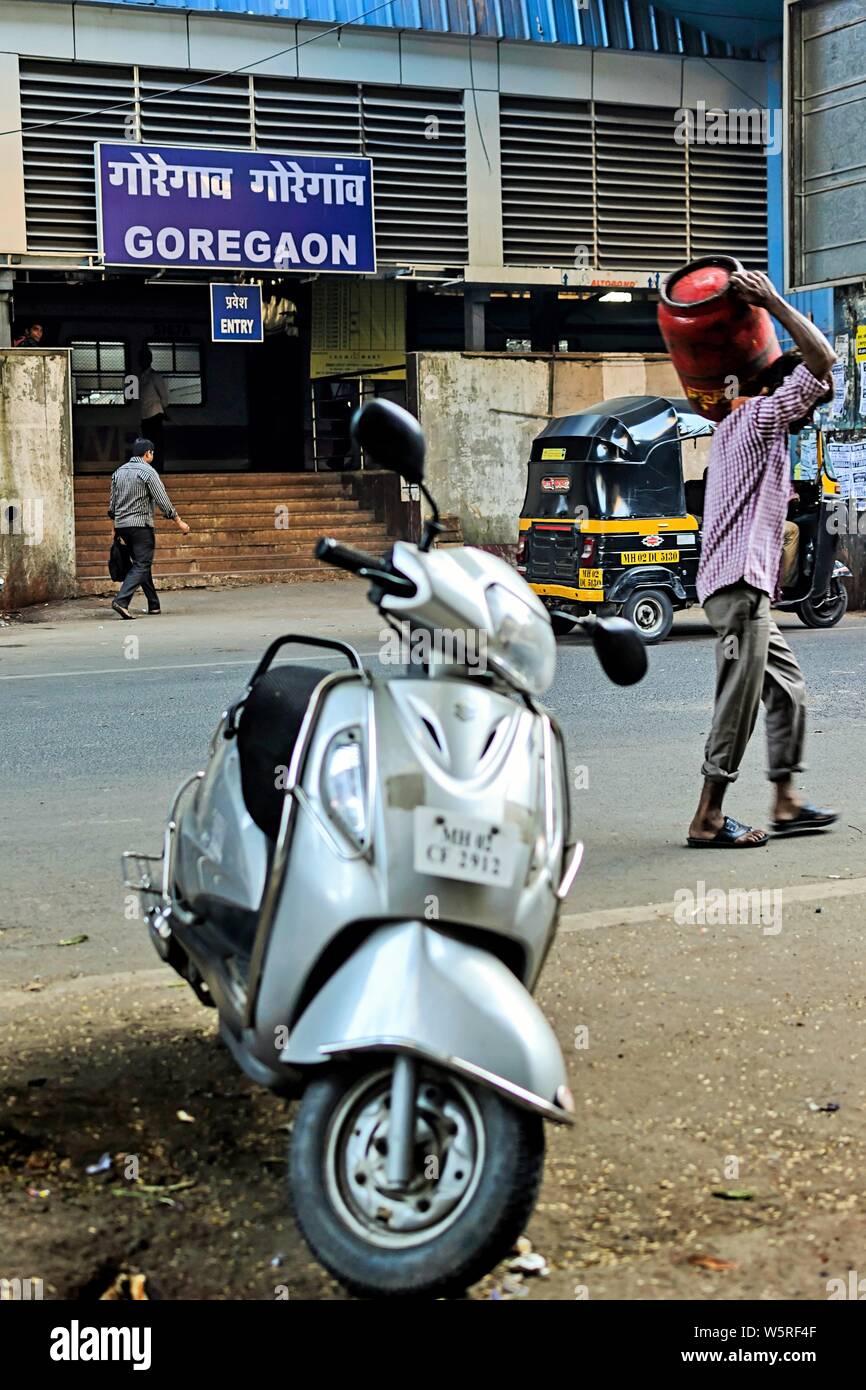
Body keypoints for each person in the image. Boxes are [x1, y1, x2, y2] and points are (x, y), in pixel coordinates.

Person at [687, 269, 838, 849]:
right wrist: (774, 301)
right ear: (782, 386)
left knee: (788, 688)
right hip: (739, 587)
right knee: (739, 700)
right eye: (805, 395)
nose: (812, 406)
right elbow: (822, 360)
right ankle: (707, 815)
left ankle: (785, 800)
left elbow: (817, 380)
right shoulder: (762, 416)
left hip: (742, 587)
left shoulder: (737, 427)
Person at [108, 438, 189, 619]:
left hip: (122, 527)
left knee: (141, 563)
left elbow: (112, 505)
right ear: (148, 453)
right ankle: (121, 601)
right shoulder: (148, 472)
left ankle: (153, 604)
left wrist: (114, 528)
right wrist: (179, 521)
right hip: (140, 526)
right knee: (142, 563)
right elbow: (162, 499)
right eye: (152, 453)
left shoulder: (118, 473)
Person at [137, 347, 170, 473]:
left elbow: (164, 396)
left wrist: (163, 408)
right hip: (145, 415)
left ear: (149, 360)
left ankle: (158, 469)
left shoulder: (155, 376)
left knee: (156, 444)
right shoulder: (141, 377)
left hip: (155, 413)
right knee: (147, 444)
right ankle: (151, 468)